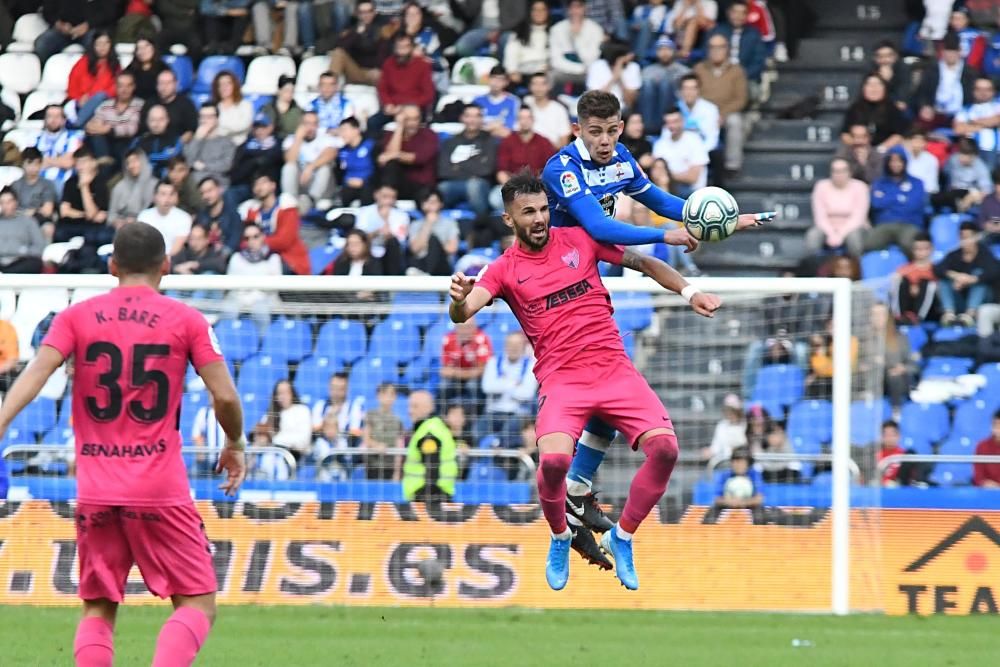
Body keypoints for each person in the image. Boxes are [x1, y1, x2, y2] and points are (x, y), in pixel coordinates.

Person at [449, 170, 722, 591]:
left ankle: (623, 536)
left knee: (666, 449)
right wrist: (457, 299)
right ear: (509, 220)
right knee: (554, 461)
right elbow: (465, 313)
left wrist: (690, 292)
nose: (539, 218)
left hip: (613, 369)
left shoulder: (579, 238)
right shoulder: (503, 269)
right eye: (528, 213)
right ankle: (560, 536)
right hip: (563, 380)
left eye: (543, 209)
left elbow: (643, 261)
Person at [535, 90, 771, 572]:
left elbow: (660, 200)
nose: (605, 141)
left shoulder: (621, 159)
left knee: (608, 382)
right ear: (577, 130)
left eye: (612, 130)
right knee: (583, 388)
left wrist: (720, 222)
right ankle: (567, 510)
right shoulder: (561, 169)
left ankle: (578, 491)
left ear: (622, 128)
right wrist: (669, 233)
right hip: (553, 273)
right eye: (594, 132)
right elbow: (599, 224)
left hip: (588, 270)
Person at [0, 221, 246, 667]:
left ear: (112, 266)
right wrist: (235, 443)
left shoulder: (75, 317)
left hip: (95, 488)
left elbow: (36, 373)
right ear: (165, 266)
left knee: (98, 609)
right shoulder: (187, 319)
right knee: (196, 603)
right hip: (159, 488)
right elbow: (225, 395)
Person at [694, 32, 749, 176]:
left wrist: (722, 114)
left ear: (727, 49)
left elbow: (741, 99)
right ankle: (695, 163)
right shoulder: (699, 69)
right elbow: (693, 93)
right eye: (712, 47)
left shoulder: (737, 70)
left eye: (720, 47)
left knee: (735, 122)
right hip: (702, 111)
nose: (716, 51)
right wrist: (707, 113)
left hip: (726, 112)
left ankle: (732, 165)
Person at [476, 331, 538, 449]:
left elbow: (527, 394)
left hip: (517, 413)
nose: (513, 348)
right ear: (505, 346)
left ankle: (499, 450)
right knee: (477, 430)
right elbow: (487, 387)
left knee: (510, 431)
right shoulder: (493, 362)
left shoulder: (531, 365)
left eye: (517, 345)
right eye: (510, 345)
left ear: (523, 347)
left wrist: (501, 383)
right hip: (493, 412)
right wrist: (513, 384)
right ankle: (481, 462)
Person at [243, 172, 311, 275]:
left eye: (263, 183)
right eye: (256, 185)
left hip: (289, 260)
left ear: (273, 185)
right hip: (261, 258)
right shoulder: (252, 212)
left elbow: (285, 241)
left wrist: (261, 241)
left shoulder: (287, 207)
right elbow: (244, 238)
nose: (259, 187)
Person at [437, 104, 496, 220]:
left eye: (476, 116)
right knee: (441, 188)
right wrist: (475, 165)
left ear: (481, 119)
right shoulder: (450, 142)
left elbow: (487, 170)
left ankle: (482, 223)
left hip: (480, 184)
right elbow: (443, 171)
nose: (472, 120)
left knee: (474, 186)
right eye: (468, 116)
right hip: (454, 184)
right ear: (462, 118)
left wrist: (457, 166)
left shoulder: (490, 141)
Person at [490, 106, 556, 210]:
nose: (525, 121)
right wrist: (511, 188)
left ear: (533, 119)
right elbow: (501, 171)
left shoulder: (544, 142)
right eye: (521, 118)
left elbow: (551, 169)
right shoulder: (508, 141)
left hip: (538, 186)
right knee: (495, 198)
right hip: (512, 185)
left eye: (528, 118)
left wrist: (537, 186)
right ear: (517, 120)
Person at [935, 221, 1000, 326]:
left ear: (976, 237)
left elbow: (994, 271)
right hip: (960, 298)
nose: (965, 241)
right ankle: (949, 314)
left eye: (969, 237)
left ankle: (970, 315)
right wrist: (956, 276)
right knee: (944, 281)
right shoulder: (954, 254)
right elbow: (938, 269)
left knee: (980, 278)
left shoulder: (985, 254)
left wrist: (971, 279)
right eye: (962, 237)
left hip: (981, 302)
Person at [866, 147, 927, 255]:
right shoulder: (879, 183)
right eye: (892, 160)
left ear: (904, 162)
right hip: (884, 224)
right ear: (887, 162)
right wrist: (900, 197)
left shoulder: (917, 183)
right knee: (869, 244)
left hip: (909, 224)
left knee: (911, 245)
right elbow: (876, 204)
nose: (895, 164)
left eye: (899, 160)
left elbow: (914, 205)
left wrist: (886, 198)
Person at [402, 389, 458, 503]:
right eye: (409, 406)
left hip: (429, 498)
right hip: (438, 495)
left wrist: (425, 498)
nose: (409, 411)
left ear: (428, 408)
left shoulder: (428, 432)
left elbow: (432, 466)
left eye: (415, 406)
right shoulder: (436, 426)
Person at [914, 31, 978, 131]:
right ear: (943, 52)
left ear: (959, 51)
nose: (950, 55)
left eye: (954, 51)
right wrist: (925, 106)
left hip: (961, 114)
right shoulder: (932, 69)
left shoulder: (969, 72)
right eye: (948, 51)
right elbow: (922, 91)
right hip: (936, 112)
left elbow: (972, 96)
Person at [807, 157, 870, 257]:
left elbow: (858, 218)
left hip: (854, 227)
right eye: (835, 171)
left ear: (849, 172)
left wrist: (840, 235)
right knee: (813, 236)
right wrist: (831, 234)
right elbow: (820, 216)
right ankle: (815, 269)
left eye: (842, 171)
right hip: (828, 227)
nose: (838, 174)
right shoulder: (821, 186)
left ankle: (857, 268)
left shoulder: (860, 187)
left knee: (854, 238)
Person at [225, 222, 283, 326]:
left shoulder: (273, 258)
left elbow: (273, 288)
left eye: (255, 236)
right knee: (228, 309)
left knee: (260, 310)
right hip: (239, 298)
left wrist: (250, 289)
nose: (251, 241)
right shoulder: (236, 257)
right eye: (247, 238)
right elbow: (232, 285)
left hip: (266, 300)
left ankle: (263, 341)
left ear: (262, 237)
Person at [376, 105, 439, 200]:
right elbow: (388, 159)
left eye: (416, 119)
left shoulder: (428, 134)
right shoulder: (391, 135)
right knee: (390, 166)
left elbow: (420, 158)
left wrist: (396, 155)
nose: (412, 123)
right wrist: (399, 127)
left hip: (420, 184)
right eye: (407, 119)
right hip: (397, 183)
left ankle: (386, 199)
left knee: (392, 162)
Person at [56, 148, 113, 253]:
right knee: (59, 233)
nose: (79, 167)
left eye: (83, 162)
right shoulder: (70, 182)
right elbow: (64, 211)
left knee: (96, 236)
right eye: (77, 163)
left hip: (93, 227)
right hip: (73, 224)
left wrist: (84, 186)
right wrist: (84, 214)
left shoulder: (102, 182)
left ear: (93, 162)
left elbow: (92, 214)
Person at [374, 33, 435, 126]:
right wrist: (388, 104)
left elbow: (428, 95)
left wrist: (407, 107)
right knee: (372, 123)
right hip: (393, 108)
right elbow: (382, 89)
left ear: (411, 48)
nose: (401, 52)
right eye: (399, 47)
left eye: (405, 47)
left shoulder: (423, 65)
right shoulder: (388, 64)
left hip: (415, 108)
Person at [282, 111, 338, 211]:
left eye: (314, 124)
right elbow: (290, 160)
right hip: (300, 183)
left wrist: (310, 167)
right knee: (289, 167)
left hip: (320, 187)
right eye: (307, 124)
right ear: (300, 125)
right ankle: (290, 201)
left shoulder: (325, 138)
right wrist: (298, 139)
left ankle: (311, 200)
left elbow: (331, 154)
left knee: (324, 168)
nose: (310, 128)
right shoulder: (291, 140)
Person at [87, 71, 144, 168]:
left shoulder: (139, 105)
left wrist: (108, 129)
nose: (124, 90)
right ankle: (105, 164)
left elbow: (131, 129)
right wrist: (106, 129)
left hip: (127, 143)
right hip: (106, 143)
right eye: (121, 86)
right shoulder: (106, 105)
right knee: (96, 137)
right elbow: (91, 126)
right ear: (116, 87)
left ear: (133, 87)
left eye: (128, 86)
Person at [34, 1, 120, 64]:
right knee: (42, 44)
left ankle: (92, 76)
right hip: (63, 30)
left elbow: (110, 11)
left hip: (93, 28)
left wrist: (88, 25)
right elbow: (47, 9)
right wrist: (57, 23)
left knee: (96, 44)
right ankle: (47, 73)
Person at [228, 114, 284, 209]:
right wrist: (254, 162)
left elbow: (276, 161)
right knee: (229, 194)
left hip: (272, 186)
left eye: (263, 127)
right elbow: (235, 174)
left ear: (271, 127)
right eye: (256, 127)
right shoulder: (244, 147)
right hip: (248, 185)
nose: (259, 131)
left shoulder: (278, 143)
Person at [327, 1, 390, 86]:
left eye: (369, 11)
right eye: (363, 12)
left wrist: (378, 68)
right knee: (338, 53)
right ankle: (328, 85)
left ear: (374, 12)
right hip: (355, 71)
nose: (366, 15)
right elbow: (339, 47)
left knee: (382, 75)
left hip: (373, 73)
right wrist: (356, 34)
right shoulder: (352, 28)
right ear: (357, 14)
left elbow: (384, 52)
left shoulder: (381, 27)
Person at [841, 74, 910, 151]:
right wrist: (856, 146)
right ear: (864, 88)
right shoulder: (855, 108)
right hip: (858, 150)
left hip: (885, 151)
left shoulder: (892, 109)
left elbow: (899, 135)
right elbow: (845, 134)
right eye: (870, 85)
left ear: (884, 88)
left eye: (878, 85)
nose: (874, 89)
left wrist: (880, 149)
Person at [548, 0, 604, 93]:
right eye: (572, 7)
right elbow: (555, 60)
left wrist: (576, 37)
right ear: (568, 10)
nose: (575, 11)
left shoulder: (595, 29)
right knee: (551, 76)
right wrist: (579, 69)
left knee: (598, 76)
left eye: (578, 7)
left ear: (585, 9)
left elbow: (592, 60)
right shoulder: (557, 29)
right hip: (564, 71)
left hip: (588, 73)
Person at [68, 30, 120, 128]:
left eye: (106, 43)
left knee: (100, 96)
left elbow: (115, 89)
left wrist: (91, 98)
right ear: (93, 46)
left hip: (104, 105)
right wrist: (79, 98)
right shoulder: (83, 62)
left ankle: (77, 125)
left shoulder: (115, 66)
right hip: (81, 104)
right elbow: (72, 85)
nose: (102, 47)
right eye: (99, 44)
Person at [638, 36, 690, 135]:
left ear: (674, 51)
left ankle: (665, 126)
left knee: (665, 84)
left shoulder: (684, 71)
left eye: (668, 49)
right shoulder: (647, 71)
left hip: (675, 107)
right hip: (651, 111)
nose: (665, 53)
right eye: (661, 49)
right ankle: (647, 128)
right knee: (648, 84)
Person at [653, 107, 709, 197]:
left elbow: (693, 177)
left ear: (682, 121)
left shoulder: (695, 140)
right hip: (668, 189)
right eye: (668, 122)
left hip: (692, 192)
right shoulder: (660, 144)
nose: (672, 126)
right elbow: (656, 174)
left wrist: (667, 175)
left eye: (675, 121)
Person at [440, 318, 492, 414]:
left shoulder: (482, 339)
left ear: (474, 328)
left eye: (467, 327)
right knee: (444, 385)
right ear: (456, 328)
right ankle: (442, 416)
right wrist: (457, 372)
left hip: (475, 378)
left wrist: (456, 372)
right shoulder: (448, 339)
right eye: (461, 328)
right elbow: (446, 369)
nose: (464, 331)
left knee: (472, 385)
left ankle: (475, 417)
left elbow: (482, 370)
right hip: (459, 377)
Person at [354, 183, 407, 275]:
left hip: (389, 255)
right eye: (385, 197)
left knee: (392, 243)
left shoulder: (402, 216)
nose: (388, 201)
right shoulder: (364, 212)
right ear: (376, 195)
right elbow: (359, 237)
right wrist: (376, 233)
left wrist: (386, 220)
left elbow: (401, 240)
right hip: (369, 252)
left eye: (392, 198)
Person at [712, 0, 766, 87]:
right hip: (718, 77)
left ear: (746, 15)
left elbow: (758, 62)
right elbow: (707, 55)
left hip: (746, 79)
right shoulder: (718, 31)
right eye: (735, 12)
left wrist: (740, 76)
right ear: (728, 13)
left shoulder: (754, 34)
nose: (738, 16)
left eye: (742, 13)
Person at [704, 447, 764, 524]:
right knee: (710, 517)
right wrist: (729, 501)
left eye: (741, 462)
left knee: (761, 516)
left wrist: (742, 502)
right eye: (735, 461)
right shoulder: (724, 475)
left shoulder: (754, 475)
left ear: (748, 463)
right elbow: (717, 499)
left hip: (750, 507)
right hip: (727, 506)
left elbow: (758, 499)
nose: (737, 465)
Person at [35, 105, 85, 197]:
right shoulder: (35, 138)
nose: (53, 120)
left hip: (63, 183)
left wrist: (45, 161)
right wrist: (59, 160)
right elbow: (31, 163)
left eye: (57, 116)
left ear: (64, 120)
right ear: (45, 119)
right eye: (50, 116)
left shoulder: (73, 137)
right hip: (38, 181)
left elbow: (69, 162)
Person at [184, 104, 237, 189]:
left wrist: (204, 166)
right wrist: (197, 139)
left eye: (209, 117)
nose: (205, 121)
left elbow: (226, 165)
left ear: (217, 119)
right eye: (202, 117)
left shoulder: (227, 142)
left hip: (219, 183)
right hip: (196, 183)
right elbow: (187, 162)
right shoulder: (192, 141)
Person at [953, 76, 1000, 169]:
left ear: (993, 91)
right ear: (973, 91)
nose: (983, 93)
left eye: (987, 89)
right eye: (979, 89)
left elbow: (997, 120)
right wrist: (988, 123)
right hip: (973, 153)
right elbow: (958, 129)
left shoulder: (997, 106)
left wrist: (971, 123)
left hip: (997, 151)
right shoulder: (965, 109)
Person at [407, 189, 458, 275]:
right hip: (421, 262)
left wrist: (432, 245)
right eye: (427, 202)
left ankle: (428, 273)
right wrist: (428, 224)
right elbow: (415, 249)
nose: (431, 205)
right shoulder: (415, 224)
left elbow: (452, 248)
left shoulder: (450, 223)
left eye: (434, 202)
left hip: (442, 263)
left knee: (433, 240)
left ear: (441, 204)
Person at [891, 233, 939, 324]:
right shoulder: (904, 269)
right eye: (918, 249)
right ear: (913, 250)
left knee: (927, 284)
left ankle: (918, 318)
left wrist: (919, 288)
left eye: (925, 249)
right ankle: (899, 316)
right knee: (900, 280)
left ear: (931, 249)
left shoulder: (936, 270)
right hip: (908, 304)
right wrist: (912, 287)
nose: (921, 252)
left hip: (930, 311)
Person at [936, 137, 992, 212]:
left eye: (966, 155)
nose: (961, 158)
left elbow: (987, 191)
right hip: (952, 193)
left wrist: (971, 198)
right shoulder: (953, 160)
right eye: (960, 153)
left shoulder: (981, 167)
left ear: (974, 156)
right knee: (936, 198)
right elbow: (944, 174)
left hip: (970, 194)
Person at [137, 180, 193, 256]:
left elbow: (178, 247)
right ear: (155, 196)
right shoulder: (144, 216)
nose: (167, 198)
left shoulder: (184, 218)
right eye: (163, 194)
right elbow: (141, 242)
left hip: (172, 259)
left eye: (171, 194)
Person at [361, 382, 404, 480]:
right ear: (378, 395)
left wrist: (397, 472)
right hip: (373, 465)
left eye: (392, 394)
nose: (388, 397)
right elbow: (366, 438)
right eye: (385, 393)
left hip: (390, 467)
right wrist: (376, 445)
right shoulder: (370, 415)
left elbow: (399, 447)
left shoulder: (398, 421)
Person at [10, 147, 58, 233]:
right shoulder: (15, 185)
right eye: (29, 163)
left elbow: (47, 210)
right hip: (17, 219)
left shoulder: (47, 184)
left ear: (41, 164)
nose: (33, 167)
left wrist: (33, 212)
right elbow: (9, 207)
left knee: (48, 228)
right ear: (23, 164)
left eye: (36, 164)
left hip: (39, 220)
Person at [504, 1, 551, 87]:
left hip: (545, 74)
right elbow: (511, 55)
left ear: (547, 12)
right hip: (522, 74)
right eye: (535, 10)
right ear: (530, 12)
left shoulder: (554, 32)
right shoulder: (519, 32)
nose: (539, 13)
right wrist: (512, 71)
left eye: (542, 10)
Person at [130, 104, 184, 179]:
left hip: (168, 181)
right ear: (147, 121)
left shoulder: (175, 140)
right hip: (142, 179)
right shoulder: (139, 141)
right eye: (153, 120)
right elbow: (131, 162)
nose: (156, 124)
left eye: (161, 119)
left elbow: (176, 163)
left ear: (167, 120)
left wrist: (149, 158)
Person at [145, 68, 198, 143]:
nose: (164, 87)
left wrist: (177, 146)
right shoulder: (149, 103)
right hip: (152, 146)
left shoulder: (186, 104)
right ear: (156, 85)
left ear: (176, 84)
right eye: (161, 83)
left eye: (168, 83)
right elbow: (144, 130)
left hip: (179, 147)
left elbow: (191, 131)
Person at [109, 148, 156, 231]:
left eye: (135, 161)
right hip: (122, 229)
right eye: (128, 163)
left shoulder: (155, 185)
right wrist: (117, 222)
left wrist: (137, 220)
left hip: (147, 228)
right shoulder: (119, 187)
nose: (131, 166)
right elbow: (111, 215)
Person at [0, 188, 45, 273]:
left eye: (9, 202)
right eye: (2, 202)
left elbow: (39, 246)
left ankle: (6, 275)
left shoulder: (28, 221)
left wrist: (23, 251)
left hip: (20, 261)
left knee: (35, 263)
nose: (6, 206)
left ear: (16, 202)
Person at [586, 42, 641, 111]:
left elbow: (630, 102)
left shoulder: (634, 67)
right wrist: (614, 78)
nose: (632, 56)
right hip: (600, 110)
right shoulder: (597, 66)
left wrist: (620, 79)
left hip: (622, 112)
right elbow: (595, 101)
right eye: (628, 54)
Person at [310, 372, 366, 440]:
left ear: (347, 389)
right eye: (334, 387)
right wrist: (329, 417)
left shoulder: (354, 406)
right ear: (329, 387)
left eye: (341, 388)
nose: (336, 392)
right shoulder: (320, 405)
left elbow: (356, 433)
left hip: (346, 447)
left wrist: (337, 431)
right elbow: (314, 430)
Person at [522, 72, 571, 147]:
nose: (538, 87)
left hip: (550, 152)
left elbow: (563, 142)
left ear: (549, 86)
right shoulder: (525, 103)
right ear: (530, 86)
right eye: (535, 84)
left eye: (542, 84)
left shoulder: (559, 109)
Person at [196, 176, 244, 253]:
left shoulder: (232, 215)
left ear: (220, 189)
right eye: (202, 193)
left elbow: (233, 243)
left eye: (209, 191)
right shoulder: (201, 217)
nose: (206, 196)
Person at [336, 117, 376, 206]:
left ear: (356, 130)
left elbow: (377, 169)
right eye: (340, 131)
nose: (342, 134)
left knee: (368, 193)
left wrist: (364, 182)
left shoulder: (371, 146)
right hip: (348, 186)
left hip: (368, 185)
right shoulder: (342, 151)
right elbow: (339, 173)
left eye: (344, 130)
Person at [676, 74, 720, 153]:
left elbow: (711, 139)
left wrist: (698, 155)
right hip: (679, 153)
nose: (689, 92)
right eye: (686, 88)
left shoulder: (710, 109)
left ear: (698, 90)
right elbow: (667, 135)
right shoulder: (675, 108)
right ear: (681, 91)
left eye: (693, 88)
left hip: (703, 152)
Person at [474, 66, 520, 139]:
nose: (496, 82)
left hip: (505, 143)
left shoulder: (514, 101)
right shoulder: (477, 101)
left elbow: (510, 130)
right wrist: (497, 127)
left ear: (506, 82)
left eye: (500, 79)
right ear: (488, 79)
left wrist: (488, 128)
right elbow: (473, 128)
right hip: (481, 142)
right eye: (494, 78)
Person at [701, 393, 747, 463]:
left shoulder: (745, 424)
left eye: (732, 410)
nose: (730, 413)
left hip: (742, 461)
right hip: (724, 462)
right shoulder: (722, 425)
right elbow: (716, 446)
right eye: (727, 410)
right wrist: (710, 451)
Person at [124, 36, 168, 102]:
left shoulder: (163, 68)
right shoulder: (131, 69)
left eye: (146, 46)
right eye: (139, 48)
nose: (143, 51)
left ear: (153, 48)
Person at [263, 74, 305, 138]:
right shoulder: (267, 109)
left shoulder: (298, 111)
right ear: (279, 90)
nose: (289, 94)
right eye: (286, 90)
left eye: (292, 91)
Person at [904, 129, 941, 195]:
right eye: (915, 141)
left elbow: (931, 185)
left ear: (925, 144)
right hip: (906, 193)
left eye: (920, 142)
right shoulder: (904, 157)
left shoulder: (931, 159)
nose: (917, 144)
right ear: (910, 142)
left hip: (925, 193)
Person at [973, 412, 1000, 488]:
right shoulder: (982, 446)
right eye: (996, 425)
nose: (998, 429)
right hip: (988, 493)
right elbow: (979, 478)